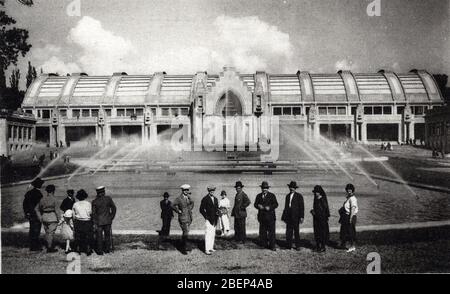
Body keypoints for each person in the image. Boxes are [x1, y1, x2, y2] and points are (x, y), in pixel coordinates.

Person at [92, 186, 117, 255]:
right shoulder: (108, 199)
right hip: (107, 221)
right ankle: (107, 249)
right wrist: (111, 217)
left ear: (97, 193)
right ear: (104, 192)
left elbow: (93, 214)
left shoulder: (95, 201)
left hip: (99, 222)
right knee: (107, 236)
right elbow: (114, 208)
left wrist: (95, 222)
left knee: (99, 237)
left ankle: (100, 251)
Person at [254, 181, 279, 251]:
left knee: (271, 232)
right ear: (261, 188)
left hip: (270, 217)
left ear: (268, 189)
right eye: (263, 188)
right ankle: (263, 244)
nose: (264, 189)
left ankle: (272, 246)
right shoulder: (258, 196)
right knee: (262, 232)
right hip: (261, 217)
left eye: (266, 188)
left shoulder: (272, 195)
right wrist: (258, 206)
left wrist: (270, 207)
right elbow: (255, 204)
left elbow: (276, 204)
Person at [171, 184, 194, 254]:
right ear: (182, 190)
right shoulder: (179, 198)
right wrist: (178, 211)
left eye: (187, 190)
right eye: (185, 190)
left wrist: (190, 209)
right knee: (185, 232)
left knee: (186, 232)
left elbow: (192, 203)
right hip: (182, 218)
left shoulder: (188, 197)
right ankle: (183, 248)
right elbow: (172, 205)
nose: (186, 191)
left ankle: (184, 246)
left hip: (189, 217)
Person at [281, 181, 304, 250]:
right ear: (289, 188)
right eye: (290, 187)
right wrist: (284, 217)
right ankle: (288, 245)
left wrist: (302, 216)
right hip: (289, 216)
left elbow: (302, 207)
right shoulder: (287, 196)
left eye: (293, 187)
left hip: (296, 216)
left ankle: (298, 246)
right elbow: (286, 207)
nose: (291, 189)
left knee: (296, 231)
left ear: (295, 188)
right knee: (288, 231)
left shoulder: (299, 196)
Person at [23, 177, 44, 251]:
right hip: (36, 214)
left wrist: (27, 212)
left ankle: (32, 245)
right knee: (36, 230)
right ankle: (35, 246)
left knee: (32, 229)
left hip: (30, 214)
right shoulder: (39, 194)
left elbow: (24, 204)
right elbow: (40, 206)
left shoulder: (28, 193)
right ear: (40, 185)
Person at [38, 184, 61, 253]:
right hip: (52, 217)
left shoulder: (42, 199)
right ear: (53, 191)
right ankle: (49, 247)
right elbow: (57, 211)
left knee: (47, 232)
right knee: (51, 233)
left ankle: (48, 245)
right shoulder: (55, 199)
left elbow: (37, 209)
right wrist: (59, 219)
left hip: (44, 217)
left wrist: (40, 217)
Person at [72, 189, 93, 255]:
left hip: (78, 221)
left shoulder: (75, 204)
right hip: (87, 221)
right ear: (85, 196)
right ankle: (88, 249)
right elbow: (90, 212)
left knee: (78, 235)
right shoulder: (88, 203)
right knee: (88, 235)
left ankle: (78, 249)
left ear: (78, 197)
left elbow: (73, 215)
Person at [199, 185, 219, 255]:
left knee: (213, 234)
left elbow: (217, 209)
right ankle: (207, 249)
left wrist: (218, 212)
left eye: (213, 190)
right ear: (208, 191)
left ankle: (211, 248)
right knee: (208, 234)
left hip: (215, 219)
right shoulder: (205, 199)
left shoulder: (216, 199)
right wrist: (206, 216)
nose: (212, 192)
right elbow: (201, 209)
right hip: (209, 219)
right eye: (211, 191)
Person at [339, 183, 359, 252]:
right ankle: (343, 244)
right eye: (347, 189)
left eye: (350, 190)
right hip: (346, 216)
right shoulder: (349, 197)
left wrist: (350, 218)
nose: (349, 191)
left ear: (352, 190)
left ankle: (352, 246)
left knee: (350, 232)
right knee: (345, 231)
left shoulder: (353, 199)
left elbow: (353, 208)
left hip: (350, 216)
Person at [310, 185, 330, 252]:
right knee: (316, 232)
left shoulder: (322, 199)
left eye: (317, 192)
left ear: (320, 192)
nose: (316, 193)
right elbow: (315, 208)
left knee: (322, 232)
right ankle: (318, 246)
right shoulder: (315, 199)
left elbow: (324, 209)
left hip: (322, 219)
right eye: (315, 192)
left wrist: (316, 213)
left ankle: (323, 247)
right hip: (316, 218)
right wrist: (313, 211)